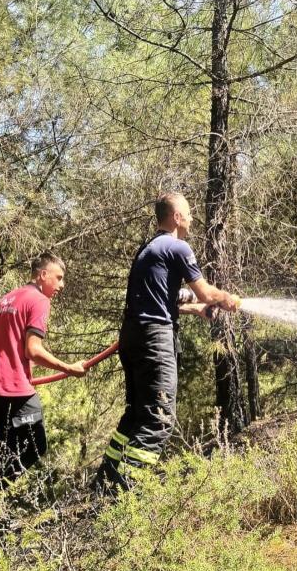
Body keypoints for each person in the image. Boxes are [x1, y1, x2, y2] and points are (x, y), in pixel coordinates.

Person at [95, 192, 240, 493]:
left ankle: (104, 483)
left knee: (136, 414)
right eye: (188, 212)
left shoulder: (149, 249)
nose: (192, 217)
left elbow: (165, 298)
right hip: (155, 339)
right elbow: (205, 292)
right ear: (176, 217)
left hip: (133, 337)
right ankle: (124, 496)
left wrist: (195, 309)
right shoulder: (178, 246)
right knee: (159, 420)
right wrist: (226, 298)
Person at [0, 251, 86, 505]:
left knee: (7, 451)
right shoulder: (38, 301)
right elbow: (33, 350)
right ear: (42, 274)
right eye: (58, 278)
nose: (61, 285)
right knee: (36, 445)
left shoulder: (8, 298)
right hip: (14, 388)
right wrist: (69, 368)